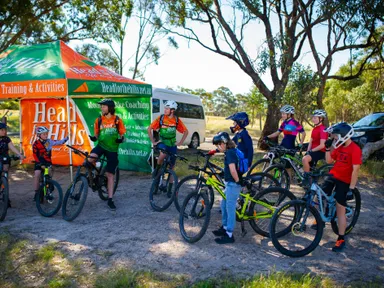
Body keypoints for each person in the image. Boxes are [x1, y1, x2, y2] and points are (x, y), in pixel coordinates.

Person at [323, 122, 362, 252]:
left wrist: (351, 188)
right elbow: (329, 161)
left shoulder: (355, 149)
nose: (334, 138)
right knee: (319, 194)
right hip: (333, 175)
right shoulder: (339, 146)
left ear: (344, 135)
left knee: (340, 208)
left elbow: (355, 170)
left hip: (345, 180)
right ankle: (321, 218)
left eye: (336, 136)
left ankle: (341, 238)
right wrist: (328, 148)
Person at [88, 99, 126, 211]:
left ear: (110, 108)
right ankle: (95, 174)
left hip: (113, 149)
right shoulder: (99, 120)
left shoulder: (117, 120)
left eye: (103, 106)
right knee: (90, 160)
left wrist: (121, 139)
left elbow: (123, 134)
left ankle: (110, 199)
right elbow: (96, 134)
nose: (101, 108)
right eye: (101, 106)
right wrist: (94, 137)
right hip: (101, 145)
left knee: (110, 175)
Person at [147, 100, 188, 196]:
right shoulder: (161, 118)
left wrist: (181, 142)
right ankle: (157, 169)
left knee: (172, 168)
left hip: (172, 144)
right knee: (163, 154)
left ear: (172, 110)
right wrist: (153, 141)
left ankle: (169, 190)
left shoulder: (176, 120)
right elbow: (149, 129)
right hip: (162, 142)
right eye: (165, 108)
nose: (165, 110)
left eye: (167, 109)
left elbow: (185, 132)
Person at [211, 132, 242, 244]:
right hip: (229, 184)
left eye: (218, 144)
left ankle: (229, 234)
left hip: (233, 184)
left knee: (230, 208)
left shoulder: (230, 154)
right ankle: (224, 227)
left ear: (224, 143)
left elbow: (233, 170)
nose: (218, 147)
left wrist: (238, 182)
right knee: (223, 205)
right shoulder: (229, 151)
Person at [33, 126, 68, 201]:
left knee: (49, 173)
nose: (46, 135)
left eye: (46, 134)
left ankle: (49, 185)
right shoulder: (35, 144)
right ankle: (36, 192)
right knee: (37, 174)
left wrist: (66, 138)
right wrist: (39, 163)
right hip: (39, 162)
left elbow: (59, 142)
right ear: (39, 135)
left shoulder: (49, 141)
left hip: (47, 162)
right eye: (44, 134)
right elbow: (35, 155)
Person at [0, 123, 25, 207]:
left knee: (5, 172)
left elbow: (12, 147)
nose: (4, 131)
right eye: (2, 130)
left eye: (5, 130)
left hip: (5, 158)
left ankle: (5, 193)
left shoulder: (6, 139)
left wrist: (19, 154)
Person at [302, 109, 328, 185]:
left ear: (321, 119)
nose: (313, 119)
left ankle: (306, 178)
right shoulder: (314, 129)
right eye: (313, 117)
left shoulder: (322, 129)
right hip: (313, 150)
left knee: (305, 159)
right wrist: (308, 151)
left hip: (321, 151)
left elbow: (322, 145)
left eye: (315, 118)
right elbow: (311, 142)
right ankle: (310, 180)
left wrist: (311, 151)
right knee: (305, 161)